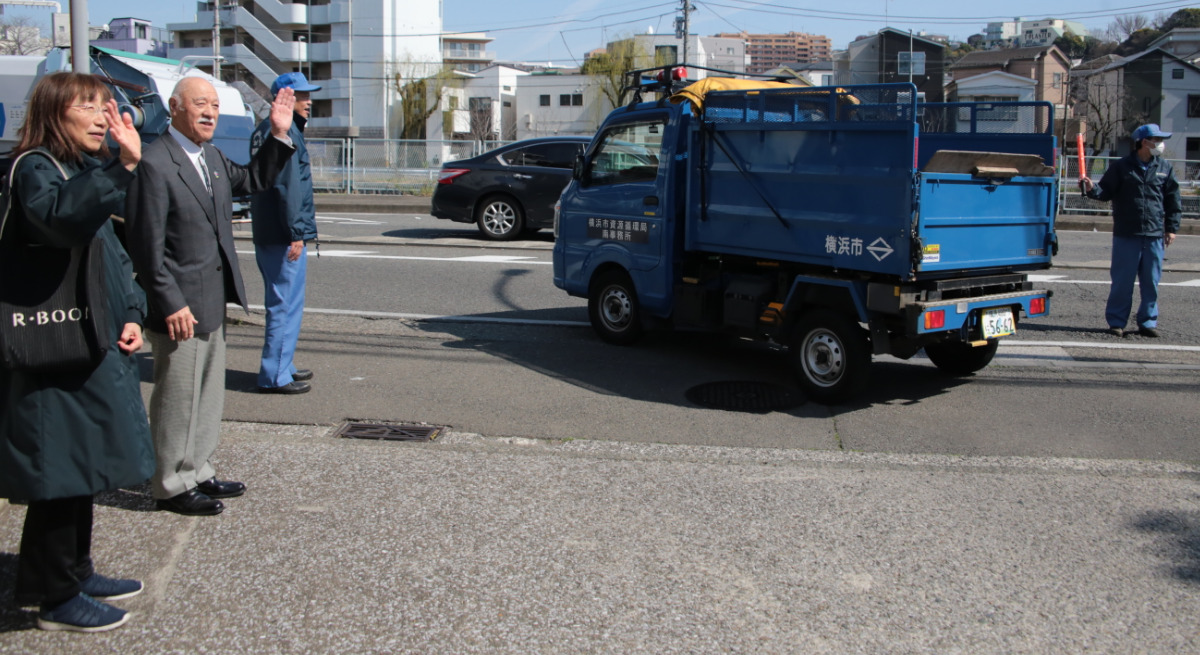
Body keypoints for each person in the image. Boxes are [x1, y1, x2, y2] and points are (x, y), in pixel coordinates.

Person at [0, 72, 152, 632]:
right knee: (58, 469)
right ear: (53, 112)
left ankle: (73, 571)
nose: (101, 117)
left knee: (78, 467)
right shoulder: (35, 166)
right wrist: (122, 166)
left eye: (106, 106)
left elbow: (110, 255)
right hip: (50, 346)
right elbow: (61, 221)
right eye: (87, 107)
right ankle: (57, 600)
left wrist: (132, 311)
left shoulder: (81, 167)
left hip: (86, 339)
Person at [124, 77, 296, 516]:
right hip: (179, 304)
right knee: (177, 397)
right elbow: (146, 247)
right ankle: (170, 483)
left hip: (211, 298)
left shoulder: (212, 157)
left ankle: (197, 468)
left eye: (216, 106)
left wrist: (278, 132)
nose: (210, 112)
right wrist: (169, 301)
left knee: (206, 393)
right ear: (175, 107)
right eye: (201, 104)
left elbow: (255, 179)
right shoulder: (156, 162)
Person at [249, 72, 321, 395]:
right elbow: (288, 187)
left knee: (285, 302)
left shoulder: (267, 129)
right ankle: (274, 374)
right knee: (284, 304)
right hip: (282, 235)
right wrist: (296, 232)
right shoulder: (284, 131)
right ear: (284, 98)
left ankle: (284, 365)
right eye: (302, 96)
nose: (308, 102)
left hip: (270, 231)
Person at [1081, 123, 1181, 338]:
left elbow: (1173, 199)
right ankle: (1117, 322)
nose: (1160, 144)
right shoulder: (1121, 166)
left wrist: (1171, 228)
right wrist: (1092, 189)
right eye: (1157, 140)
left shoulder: (1164, 167)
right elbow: (1105, 191)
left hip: (1154, 233)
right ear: (1144, 142)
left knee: (1151, 282)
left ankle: (1147, 322)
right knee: (1122, 281)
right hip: (1127, 233)